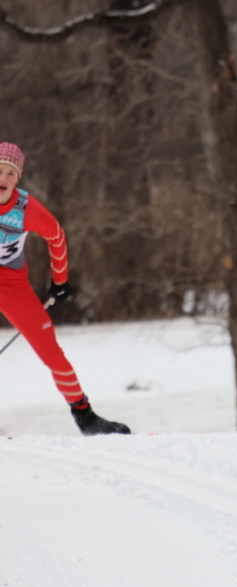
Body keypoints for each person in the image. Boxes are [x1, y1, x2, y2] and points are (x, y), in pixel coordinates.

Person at [0, 143, 131, 435]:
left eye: (10, 173)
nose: (3, 179)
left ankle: (86, 417)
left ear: (17, 179)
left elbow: (56, 237)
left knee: (51, 350)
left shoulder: (26, 208)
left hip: (10, 282)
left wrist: (60, 281)